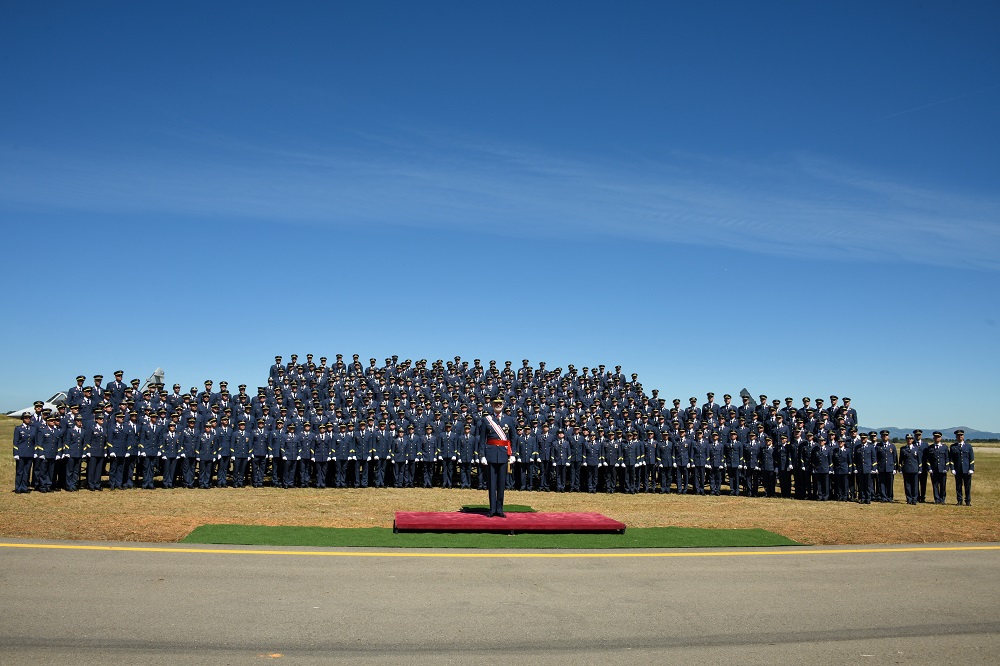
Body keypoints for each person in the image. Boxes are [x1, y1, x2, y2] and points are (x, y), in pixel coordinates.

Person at [477, 398, 516, 517]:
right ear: (492, 405)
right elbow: (482, 439)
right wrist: (482, 455)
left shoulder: (509, 419)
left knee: (501, 483)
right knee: (491, 483)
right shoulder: (486, 420)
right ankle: (492, 509)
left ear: (503, 405)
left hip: (503, 454)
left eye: (500, 403)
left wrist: (513, 454)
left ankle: (499, 509)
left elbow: (513, 438)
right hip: (491, 454)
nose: (498, 405)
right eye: (496, 404)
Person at [950, 429, 974, 506]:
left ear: (963, 436)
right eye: (958, 435)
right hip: (958, 469)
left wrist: (971, 468)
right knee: (958, 486)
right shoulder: (953, 447)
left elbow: (971, 458)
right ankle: (959, 500)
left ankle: (968, 501)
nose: (960, 436)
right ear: (956, 437)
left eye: (961, 435)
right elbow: (951, 459)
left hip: (966, 469)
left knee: (967, 486)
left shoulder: (968, 446)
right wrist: (952, 468)